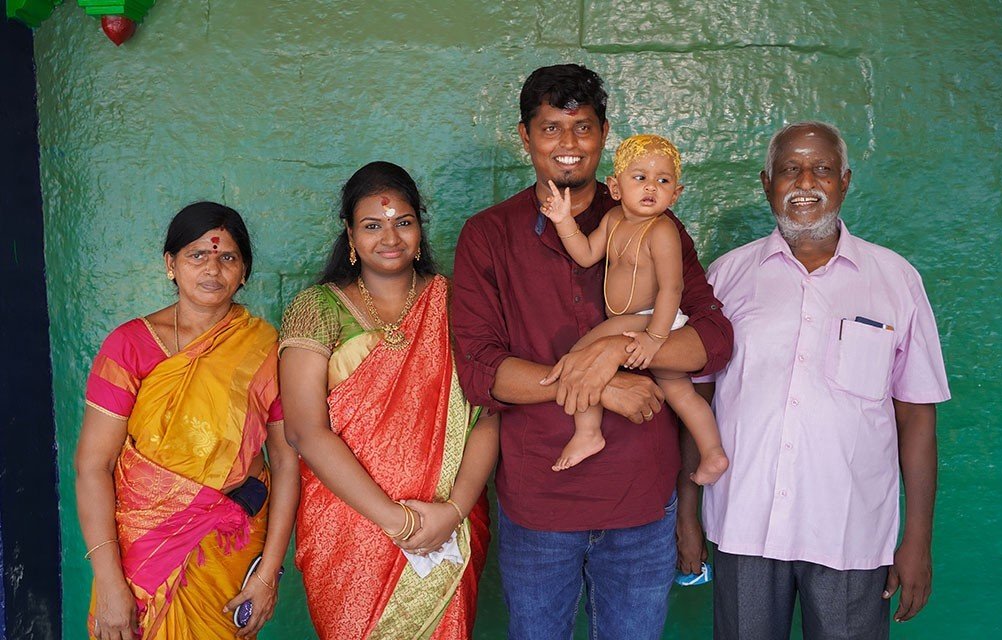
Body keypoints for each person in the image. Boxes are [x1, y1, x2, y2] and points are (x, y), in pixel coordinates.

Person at [451, 64, 732, 638]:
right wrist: (602, 381)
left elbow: (714, 338)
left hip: (641, 503)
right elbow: (482, 369)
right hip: (538, 503)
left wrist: (623, 351)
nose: (568, 144)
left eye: (582, 128)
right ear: (525, 137)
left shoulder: (656, 223)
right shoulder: (489, 234)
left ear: (604, 134)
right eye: (551, 128)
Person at [679, 121, 950, 639]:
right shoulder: (725, 278)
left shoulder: (895, 280)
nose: (806, 182)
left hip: (850, 530)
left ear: (844, 181)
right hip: (744, 524)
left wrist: (917, 538)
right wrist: (686, 514)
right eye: (790, 170)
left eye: (821, 169)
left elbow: (917, 414)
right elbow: (699, 398)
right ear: (766, 183)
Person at [279, 161, 497, 639]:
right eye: (372, 226)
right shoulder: (316, 308)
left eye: (403, 222)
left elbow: (488, 416)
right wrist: (396, 521)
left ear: (420, 227)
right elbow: (304, 431)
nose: (390, 238)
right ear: (351, 236)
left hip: (446, 524)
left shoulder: (457, 304)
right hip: (348, 530)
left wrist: (454, 510)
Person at [74, 202, 300, 640]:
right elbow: (92, 466)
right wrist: (108, 581)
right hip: (141, 552)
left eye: (227, 257)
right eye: (197, 255)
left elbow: (288, 464)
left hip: (228, 548)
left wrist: (268, 573)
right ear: (170, 265)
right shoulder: (129, 346)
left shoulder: (266, 349)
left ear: (244, 271)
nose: (212, 268)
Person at [538, 134, 728, 481]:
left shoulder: (663, 230)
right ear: (614, 186)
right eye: (640, 178)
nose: (651, 187)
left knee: (583, 352)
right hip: (635, 320)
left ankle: (588, 432)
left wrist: (656, 337)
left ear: (676, 193)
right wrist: (564, 221)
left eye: (663, 180)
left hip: (652, 320)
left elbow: (673, 287)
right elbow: (584, 253)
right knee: (679, 391)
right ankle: (713, 453)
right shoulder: (613, 221)